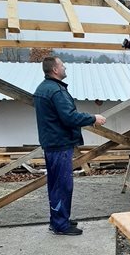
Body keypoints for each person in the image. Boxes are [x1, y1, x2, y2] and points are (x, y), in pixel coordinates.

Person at [34, 57, 106, 235]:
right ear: (55, 70)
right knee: (63, 185)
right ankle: (60, 225)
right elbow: (69, 117)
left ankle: (59, 219)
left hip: (51, 143)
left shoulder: (43, 88)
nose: (65, 67)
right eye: (62, 65)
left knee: (55, 184)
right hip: (59, 145)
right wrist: (93, 119)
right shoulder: (56, 91)